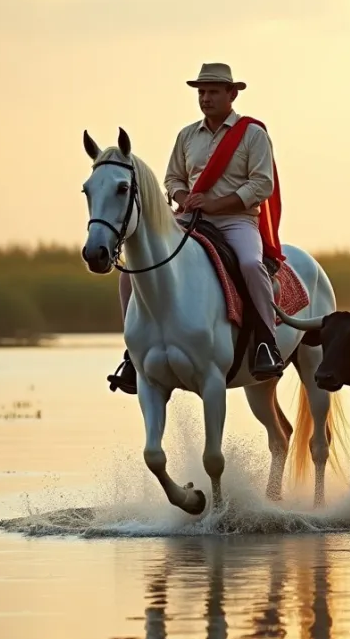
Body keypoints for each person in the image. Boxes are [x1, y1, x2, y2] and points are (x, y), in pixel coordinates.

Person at [107, 62, 285, 394]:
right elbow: (172, 178)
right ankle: (133, 354)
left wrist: (216, 204)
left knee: (250, 265)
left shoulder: (252, 135)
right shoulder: (187, 135)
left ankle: (266, 342)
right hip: (189, 218)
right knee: (130, 272)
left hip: (236, 221)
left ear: (232, 94)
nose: (206, 98)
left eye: (213, 91)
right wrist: (182, 195)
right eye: (202, 92)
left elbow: (262, 185)